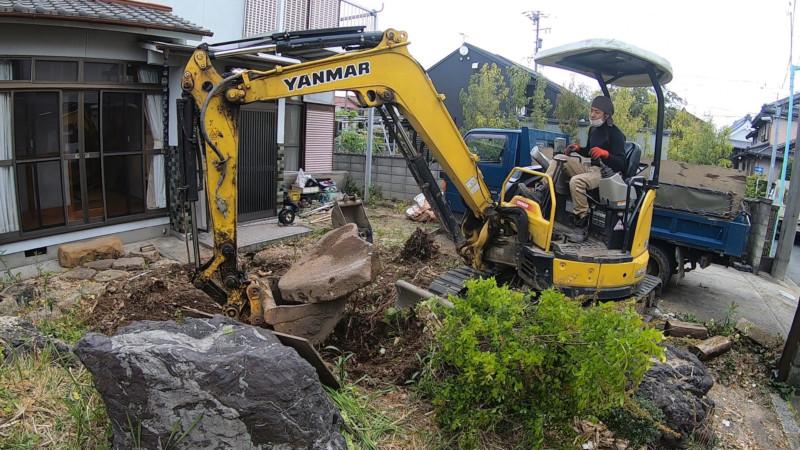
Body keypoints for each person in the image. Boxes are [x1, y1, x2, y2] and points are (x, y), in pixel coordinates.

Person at [520, 95, 626, 242]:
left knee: (576, 182)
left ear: (606, 115)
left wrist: (606, 154)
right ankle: (541, 193)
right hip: (591, 169)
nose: (592, 114)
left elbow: (622, 163)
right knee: (560, 158)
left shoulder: (616, 134)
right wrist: (578, 149)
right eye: (591, 111)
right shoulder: (593, 130)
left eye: (596, 112)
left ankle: (581, 225)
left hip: (606, 174)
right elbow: (589, 151)